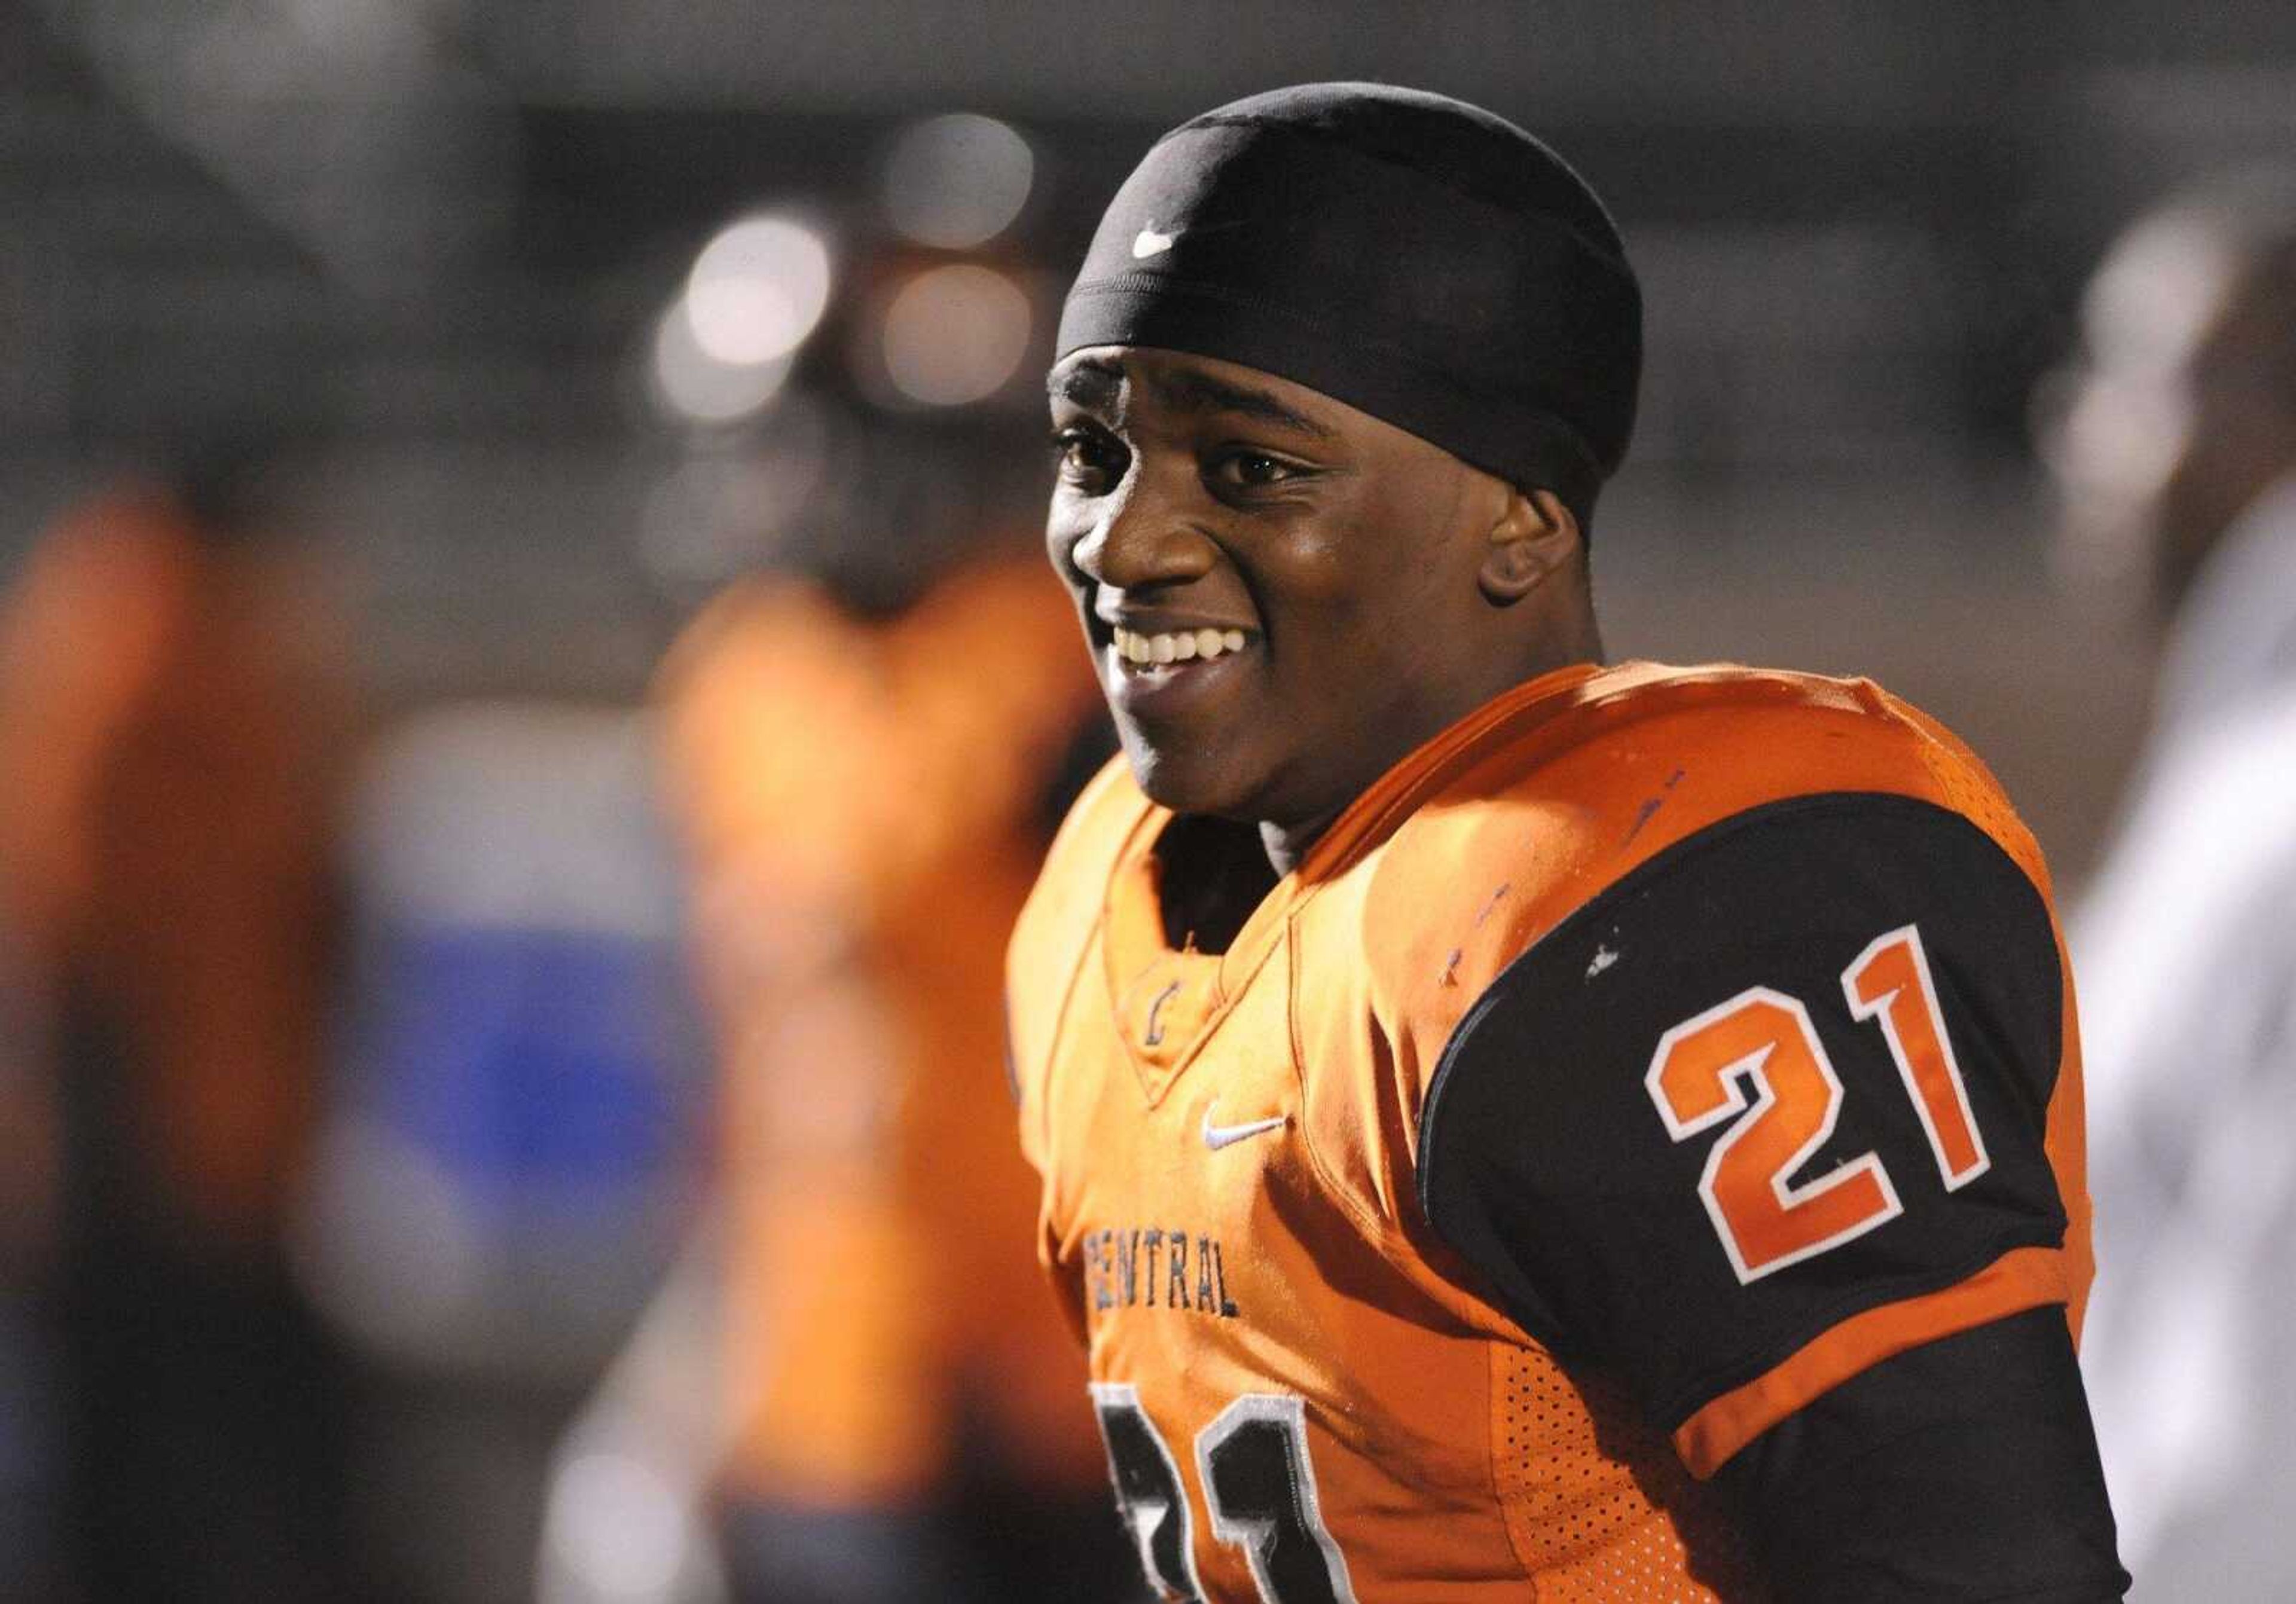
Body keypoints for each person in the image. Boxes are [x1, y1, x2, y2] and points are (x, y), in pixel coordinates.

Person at [1006, 83, 2129, 1602]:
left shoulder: (1648, 897)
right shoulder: (1095, 893)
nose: (1121, 542)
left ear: (1522, 526)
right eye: (1093, 448)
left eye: (1251, 465)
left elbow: (1970, 1568)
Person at [2045, 172, 2296, 1594]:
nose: (2080, 428)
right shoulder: (2233, 771)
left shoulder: (2274, 818)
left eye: (2126, 370)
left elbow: (2260, 1426)